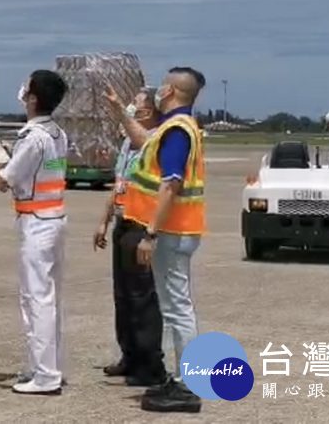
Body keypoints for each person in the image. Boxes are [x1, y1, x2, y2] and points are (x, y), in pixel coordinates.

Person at [116, 66, 208, 413]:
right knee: (174, 307)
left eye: (162, 85)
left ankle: (188, 386)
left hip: (171, 231)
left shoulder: (177, 130)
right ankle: (183, 379)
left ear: (169, 91)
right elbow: (145, 145)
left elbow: (171, 183)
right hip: (177, 229)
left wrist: (150, 233)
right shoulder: (178, 127)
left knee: (177, 308)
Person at [0, 70, 70, 395]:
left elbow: (5, 182)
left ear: (33, 98)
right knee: (50, 299)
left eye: (27, 87)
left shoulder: (33, 137)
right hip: (54, 217)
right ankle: (47, 366)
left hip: (36, 223)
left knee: (37, 300)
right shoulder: (58, 134)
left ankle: (45, 376)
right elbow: (40, 171)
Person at [94, 86, 167, 387]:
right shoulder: (127, 144)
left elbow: (143, 141)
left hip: (142, 224)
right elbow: (119, 183)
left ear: (149, 110)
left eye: (136, 104)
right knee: (122, 295)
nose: (131, 108)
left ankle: (150, 365)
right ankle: (129, 355)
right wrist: (103, 220)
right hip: (123, 222)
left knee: (142, 298)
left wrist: (117, 111)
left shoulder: (157, 138)